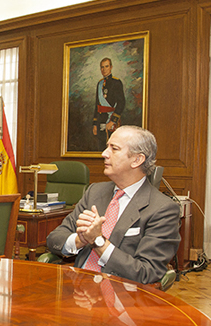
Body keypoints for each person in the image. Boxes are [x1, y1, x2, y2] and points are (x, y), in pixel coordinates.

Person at [46, 126, 180, 284]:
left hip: (119, 296)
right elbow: (54, 238)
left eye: (114, 148)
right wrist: (80, 240)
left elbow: (146, 272)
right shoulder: (95, 192)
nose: (104, 153)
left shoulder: (162, 209)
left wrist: (98, 241)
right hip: (76, 286)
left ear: (137, 160)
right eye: (106, 146)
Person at [92, 58, 126, 149]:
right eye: (102, 67)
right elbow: (97, 105)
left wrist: (113, 121)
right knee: (101, 147)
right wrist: (95, 124)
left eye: (106, 66)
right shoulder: (100, 84)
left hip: (111, 119)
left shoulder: (116, 82)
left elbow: (121, 103)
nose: (104, 69)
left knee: (113, 147)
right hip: (100, 120)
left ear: (111, 67)